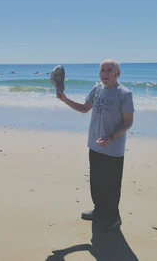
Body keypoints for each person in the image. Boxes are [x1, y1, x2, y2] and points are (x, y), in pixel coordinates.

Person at [56, 59, 134, 230]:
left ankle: (114, 217)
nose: (104, 73)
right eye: (102, 70)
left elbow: (128, 122)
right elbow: (85, 108)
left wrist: (111, 137)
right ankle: (99, 211)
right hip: (95, 144)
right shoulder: (97, 89)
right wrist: (65, 99)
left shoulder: (124, 94)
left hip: (113, 148)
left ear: (117, 74)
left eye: (109, 70)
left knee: (111, 185)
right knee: (96, 182)